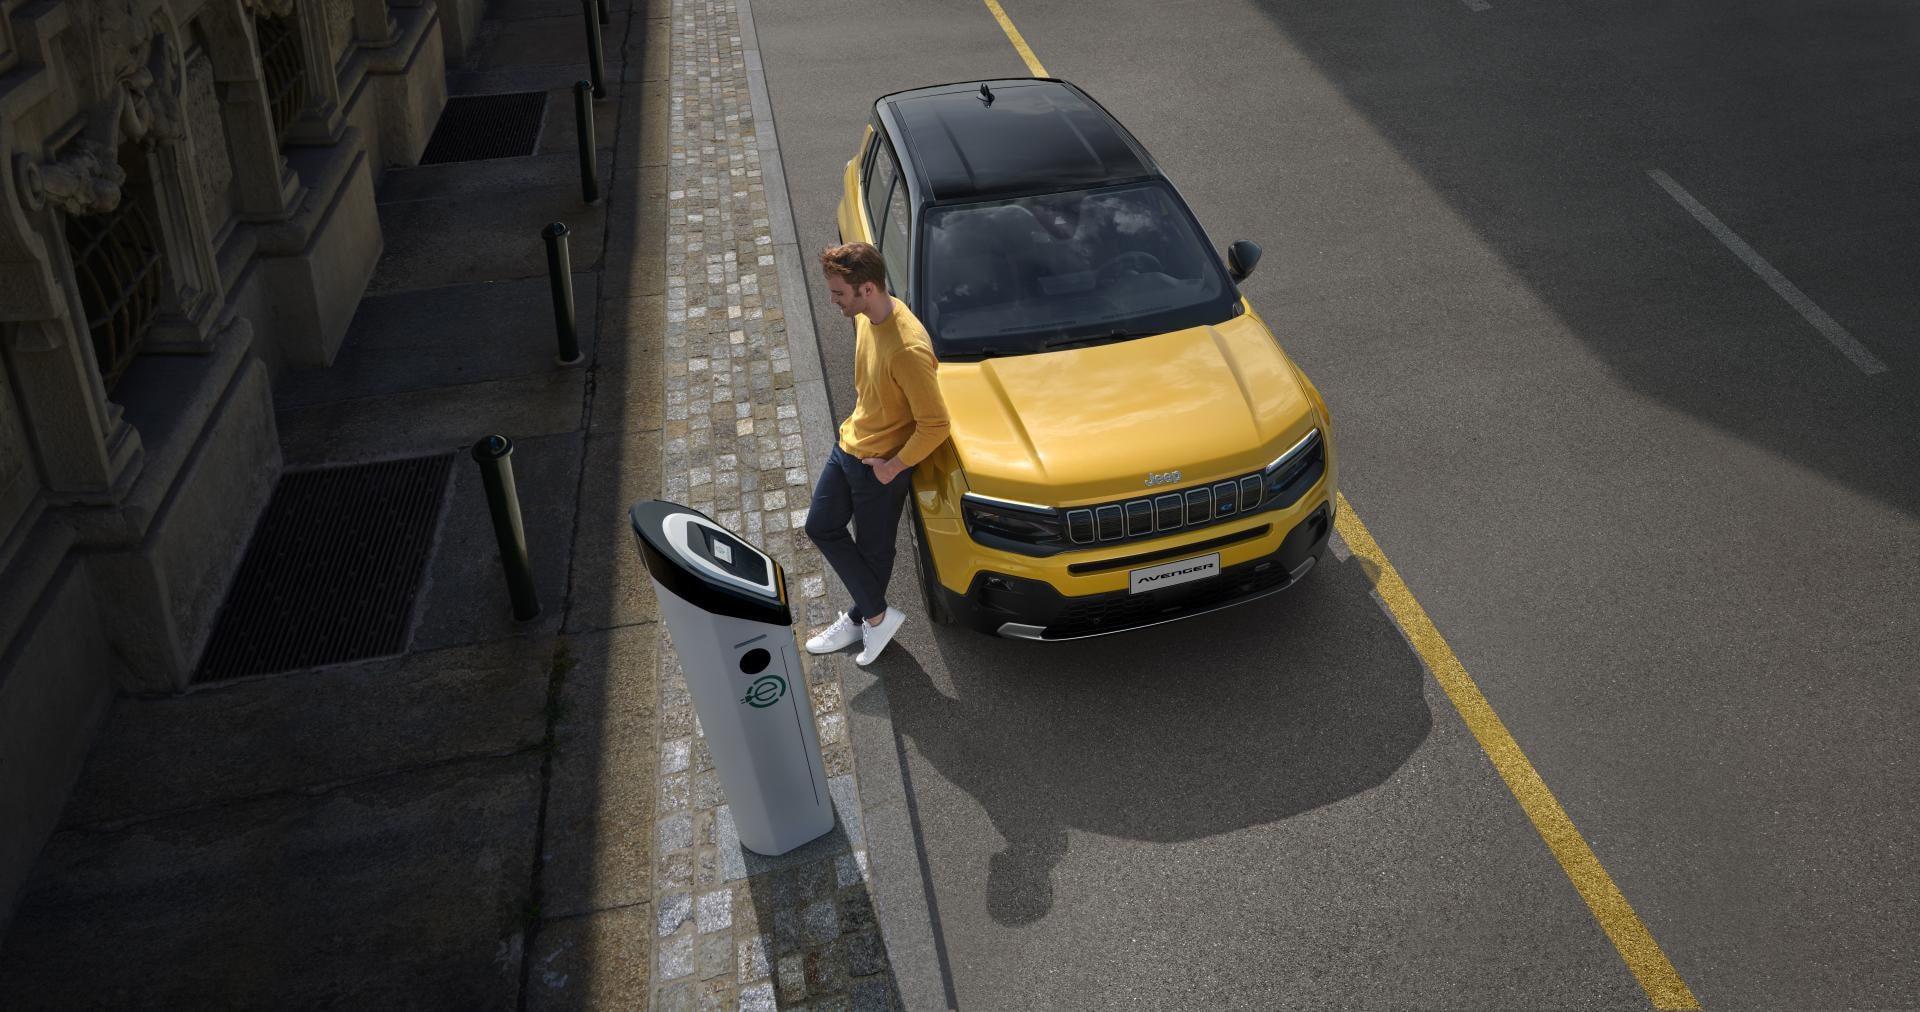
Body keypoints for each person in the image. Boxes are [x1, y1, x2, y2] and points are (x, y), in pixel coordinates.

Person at [803, 242, 951, 666]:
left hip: (878, 466)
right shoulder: (870, 316)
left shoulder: (907, 350)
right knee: (821, 525)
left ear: (865, 288)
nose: (833, 301)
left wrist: (894, 467)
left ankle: (864, 617)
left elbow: (936, 424)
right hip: (850, 444)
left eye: (838, 293)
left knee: (873, 551)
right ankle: (872, 614)